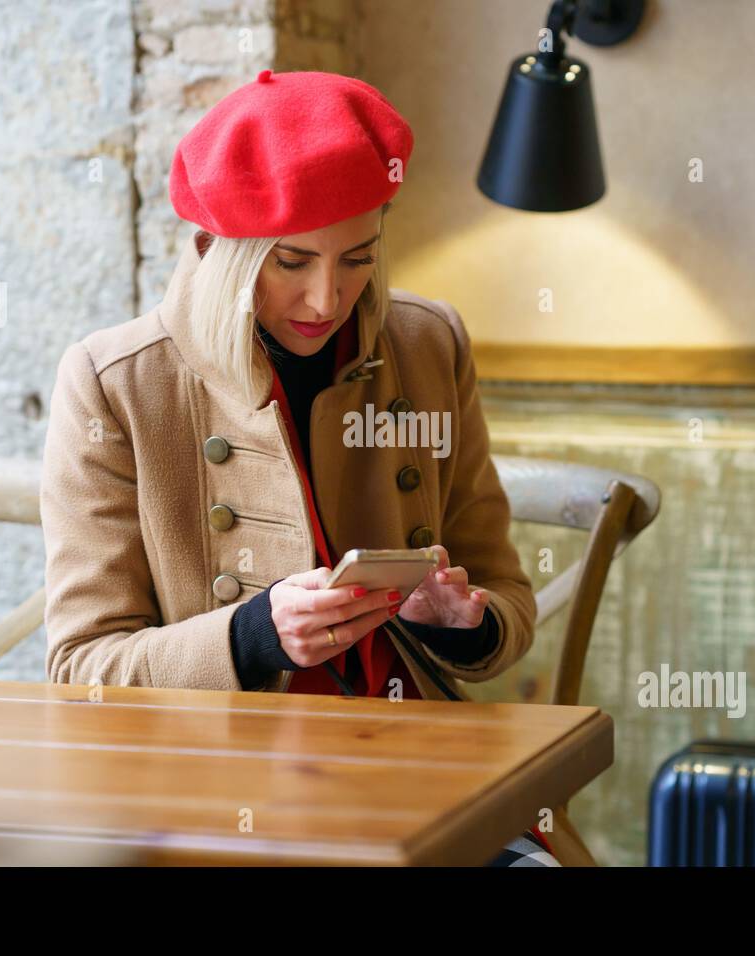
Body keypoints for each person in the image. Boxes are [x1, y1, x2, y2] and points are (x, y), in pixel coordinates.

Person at [40, 69, 556, 866]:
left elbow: (505, 594)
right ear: (216, 250)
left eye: (359, 256)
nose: (328, 298)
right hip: (215, 795)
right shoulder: (117, 383)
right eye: (290, 262)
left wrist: (464, 623)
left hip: (418, 768)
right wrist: (252, 635)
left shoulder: (428, 345)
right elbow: (81, 672)